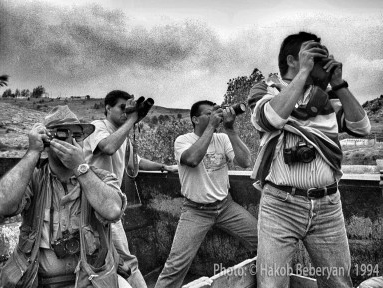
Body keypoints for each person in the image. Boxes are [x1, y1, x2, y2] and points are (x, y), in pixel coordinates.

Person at [249, 31, 371, 287]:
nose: (321, 59)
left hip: (328, 206)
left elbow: (362, 128)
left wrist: (339, 83)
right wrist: (303, 73)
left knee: (338, 282)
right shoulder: (267, 91)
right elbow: (270, 119)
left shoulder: (326, 98)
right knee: (271, 283)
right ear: (293, 60)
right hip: (280, 206)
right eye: (313, 54)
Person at [0, 105, 131, 288]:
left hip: (91, 281)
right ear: (48, 141)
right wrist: (33, 152)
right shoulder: (34, 180)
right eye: (64, 134)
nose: (72, 142)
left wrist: (80, 168)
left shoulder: (100, 178)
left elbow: (112, 210)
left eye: (78, 136)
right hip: (39, 281)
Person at [154, 100, 258, 288]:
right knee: (176, 264)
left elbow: (246, 162)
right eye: (208, 113)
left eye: (215, 113)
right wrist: (211, 127)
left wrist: (230, 129)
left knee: (262, 240)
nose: (214, 116)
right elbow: (192, 160)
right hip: (196, 210)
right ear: (195, 119)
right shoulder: (183, 140)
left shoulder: (223, 139)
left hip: (226, 207)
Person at [83, 90, 177, 288]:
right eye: (121, 108)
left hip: (109, 205)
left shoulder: (122, 135)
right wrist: (132, 120)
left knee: (117, 260)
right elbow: (107, 147)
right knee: (126, 260)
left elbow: (135, 163)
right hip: (92, 204)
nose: (125, 112)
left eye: (129, 108)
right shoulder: (97, 127)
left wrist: (162, 166)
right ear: (107, 108)